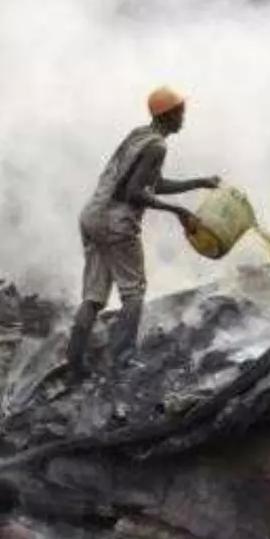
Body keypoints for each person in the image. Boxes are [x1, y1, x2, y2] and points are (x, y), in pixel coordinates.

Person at [64, 87, 220, 381]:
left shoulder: (140, 135)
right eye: (180, 111)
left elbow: (153, 183)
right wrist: (179, 213)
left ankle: (74, 360)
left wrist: (199, 182)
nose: (183, 117)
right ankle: (122, 361)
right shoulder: (157, 146)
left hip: (91, 215)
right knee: (133, 292)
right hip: (116, 222)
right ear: (168, 114)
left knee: (94, 295)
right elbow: (136, 193)